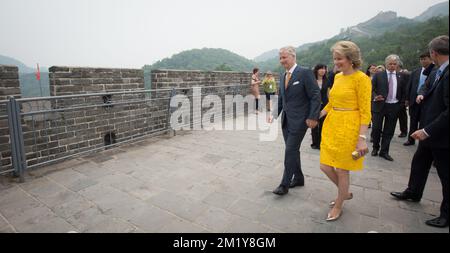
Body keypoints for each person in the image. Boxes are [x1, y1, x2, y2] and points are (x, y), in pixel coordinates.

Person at [391, 35, 449, 228]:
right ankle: (413, 192)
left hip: (441, 134)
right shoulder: (437, 70)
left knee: (445, 175)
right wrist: (422, 92)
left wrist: (427, 130)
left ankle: (446, 215)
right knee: (419, 163)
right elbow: (427, 84)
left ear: (433, 53)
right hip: (429, 130)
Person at [319, 41, 371, 221]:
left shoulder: (362, 79)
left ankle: (339, 205)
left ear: (351, 59)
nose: (336, 62)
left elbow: (366, 111)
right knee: (324, 166)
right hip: (332, 125)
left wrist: (362, 138)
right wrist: (317, 114)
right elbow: (332, 102)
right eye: (335, 58)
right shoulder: (338, 77)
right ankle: (345, 192)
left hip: (350, 128)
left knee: (342, 170)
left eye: (339, 58)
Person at [267, 46, 321, 196]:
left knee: (290, 150)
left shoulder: (304, 73)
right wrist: (274, 114)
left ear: (293, 57)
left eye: (284, 57)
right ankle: (299, 178)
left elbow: (315, 95)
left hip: (300, 121)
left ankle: (284, 184)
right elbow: (282, 98)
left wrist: (312, 117)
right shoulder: (283, 75)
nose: (282, 60)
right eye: (280, 58)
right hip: (286, 121)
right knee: (293, 151)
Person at [371, 55, 408, 161]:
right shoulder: (378, 75)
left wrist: (400, 105)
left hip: (394, 106)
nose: (392, 66)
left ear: (397, 65)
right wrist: (375, 96)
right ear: (386, 64)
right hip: (380, 105)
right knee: (376, 128)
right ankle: (375, 148)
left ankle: (384, 151)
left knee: (389, 130)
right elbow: (371, 89)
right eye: (390, 64)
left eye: (394, 64)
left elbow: (404, 91)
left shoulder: (401, 76)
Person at [404, 52, 434, 146]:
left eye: (425, 59)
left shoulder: (435, 71)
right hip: (414, 101)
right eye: (421, 59)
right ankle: (411, 139)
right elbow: (409, 85)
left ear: (430, 59)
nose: (422, 61)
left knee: (424, 122)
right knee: (413, 121)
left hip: (426, 101)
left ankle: (423, 141)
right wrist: (407, 99)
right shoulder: (416, 71)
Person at [311, 64, 331, 150]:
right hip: (314, 106)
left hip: (324, 105)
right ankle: (315, 142)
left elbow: (329, 94)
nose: (323, 70)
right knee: (314, 124)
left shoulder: (327, 81)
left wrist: (330, 105)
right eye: (321, 69)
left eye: (324, 69)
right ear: (316, 70)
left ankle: (321, 143)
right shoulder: (312, 80)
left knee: (323, 125)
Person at [397, 61, 409, 138]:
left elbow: (407, 87)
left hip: (402, 99)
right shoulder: (393, 74)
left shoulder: (406, 75)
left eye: (394, 64)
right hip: (393, 99)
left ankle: (404, 131)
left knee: (402, 116)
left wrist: (406, 99)